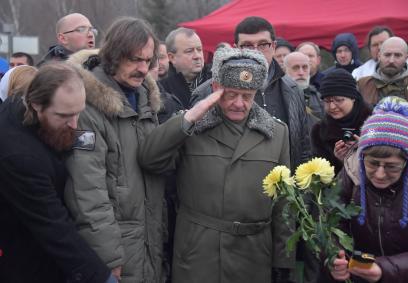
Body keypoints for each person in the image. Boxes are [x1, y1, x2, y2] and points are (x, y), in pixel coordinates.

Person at [140, 47, 295, 283]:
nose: (239, 104)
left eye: (247, 96)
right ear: (215, 89)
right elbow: (150, 159)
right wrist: (189, 118)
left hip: (253, 257)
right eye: (231, 94)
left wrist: (283, 260)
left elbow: (284, 203)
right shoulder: (193, 127)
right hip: (200, 254)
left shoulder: (276, 133)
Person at [63, 17, 166, 283]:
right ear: (113, 55)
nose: (143, 69)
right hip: (115, 251)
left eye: (148, 61)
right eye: (134, 60)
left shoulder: (146, 100)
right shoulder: (87, 108)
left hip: (149, 245)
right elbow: (87, 192)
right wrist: (108, 259)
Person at [0, 62, 116, 283]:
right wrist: (103, 277)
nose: (75, 124)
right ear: (36, 105)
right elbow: (54, 227)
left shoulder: (27, 105)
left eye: (78, 113)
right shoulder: (18, 156)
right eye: (64, 116)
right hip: (27, 263)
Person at [191, 16, 311, 172]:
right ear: (236, 48)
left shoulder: (293, 90)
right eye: (247, 45)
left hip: (282, 188)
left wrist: (303, 193)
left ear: (274, 46)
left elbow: (303, 148)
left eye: (263, 45)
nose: (256, 52)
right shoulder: (208, 92)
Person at [331, 96, 408, 283]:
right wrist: (335, 259)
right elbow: (331, 225)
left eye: (391, 166)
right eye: (372, 164)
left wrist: (383, 269)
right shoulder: (351, 173)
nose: (380, 175)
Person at [358, 37, 408, 147]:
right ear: (379, 56)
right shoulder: (362, 85)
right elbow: (357, 120)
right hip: (370, 151)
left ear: (406, 58)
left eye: (398, 55)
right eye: (387, 55)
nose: (391, 60)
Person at [311, 69, 371, 173]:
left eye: (338, 100)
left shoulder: (375, 124)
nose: (332, 106)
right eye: (326, 101)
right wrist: (339, 160)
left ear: (353, 98)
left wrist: (366, 150)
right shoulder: (319, 131)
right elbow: (321, 176)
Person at [160, 27, 211, 109]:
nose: (197, 56)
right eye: (189, 51)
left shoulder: (217, 80)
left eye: (199, 49)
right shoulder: (161, 89)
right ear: (172, 57)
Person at [283, 51, 324, 123]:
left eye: (305, 67)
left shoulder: (318, 97)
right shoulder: (277, 95)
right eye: (295, 68)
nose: (301, 73)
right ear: (285, 70)